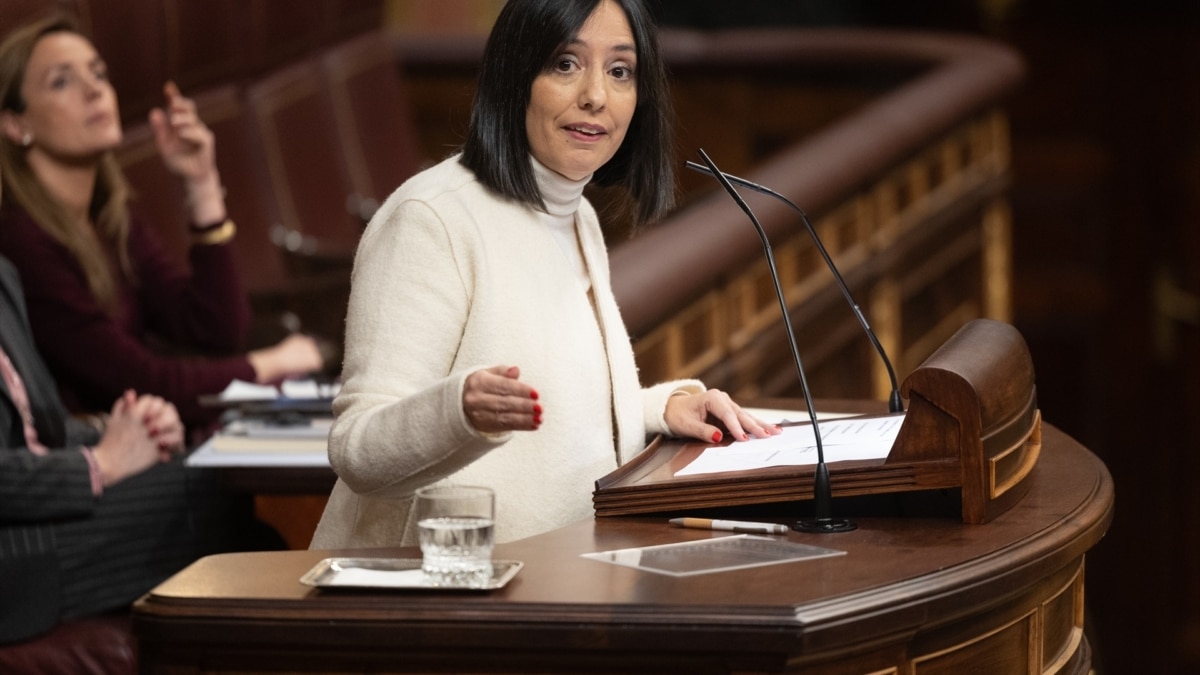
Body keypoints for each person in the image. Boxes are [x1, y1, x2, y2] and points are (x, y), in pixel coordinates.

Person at [310, 0, 780, 550]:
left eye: (620, 71)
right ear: (515, 76)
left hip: (558, 585)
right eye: (565, 64)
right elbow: (357, 448)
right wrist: (458, 412)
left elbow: (551, 425)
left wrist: (658, 409)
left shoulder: (574, 211)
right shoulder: (431, 217)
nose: (595, 96)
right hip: (439, 598)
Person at [0, 165, 277, 652]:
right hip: (17, 559)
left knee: (231, 492)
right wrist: (103, 462)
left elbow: (33, 431)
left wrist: (129, 431)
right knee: (221, 498)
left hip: (39, 520)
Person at [0, 15, 324, 432]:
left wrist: (201, 185)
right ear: (15, 124)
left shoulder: (111, 218)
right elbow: (140, 381)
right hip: (90, 465)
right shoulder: (23, 242)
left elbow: (214, 330)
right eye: (62, 81)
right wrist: (272, 362)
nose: (95, 89)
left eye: (98, 73)